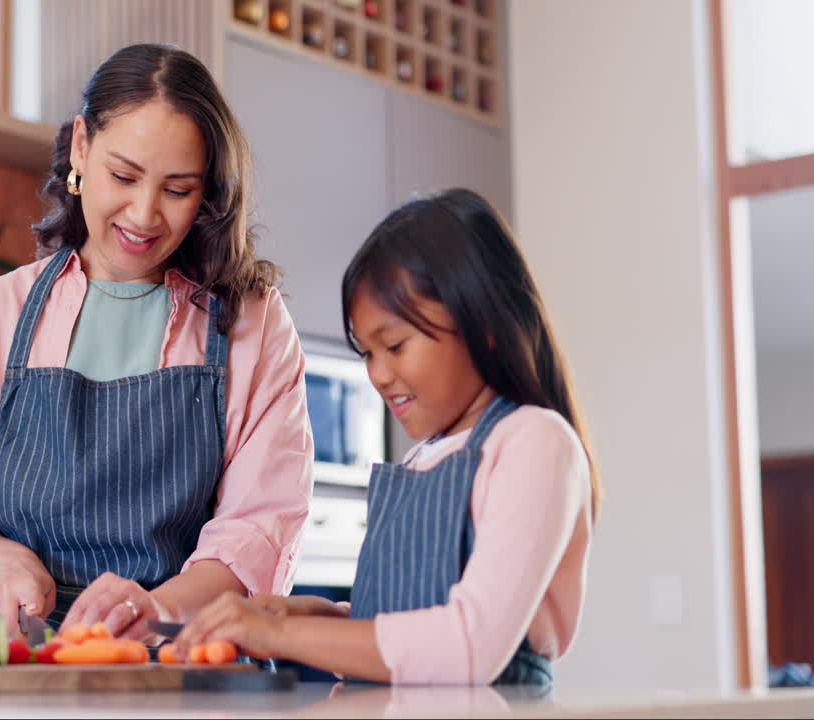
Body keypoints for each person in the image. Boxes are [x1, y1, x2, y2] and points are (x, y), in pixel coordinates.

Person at [0, 43, 314, 641]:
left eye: (178, 189)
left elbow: (259, 527)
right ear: (82, 147)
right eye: (124, 175)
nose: (144, 214)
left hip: (188, 664)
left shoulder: (252, 325)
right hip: (28, 663)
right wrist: (2, 562)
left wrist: (152, 612)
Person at [172, 188, 600, 686]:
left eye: (394, 345)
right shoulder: (426, 458)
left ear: (485, 326)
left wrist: (279, 639)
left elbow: (466, 646)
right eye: (368, 354)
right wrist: (317, 619)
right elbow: (407, 634)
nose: (378, 375)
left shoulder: (534, 442)